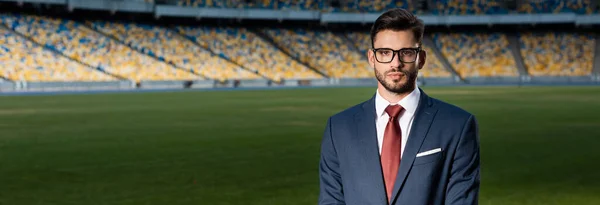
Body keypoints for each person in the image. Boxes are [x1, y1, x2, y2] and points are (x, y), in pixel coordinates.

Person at [318, 8, 480, 205]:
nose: (395, 63)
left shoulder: (458, 125)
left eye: (406, 52)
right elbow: (331, 200)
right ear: (372, 58)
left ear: (421, 59)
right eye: (385, 53)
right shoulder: (339, 127)